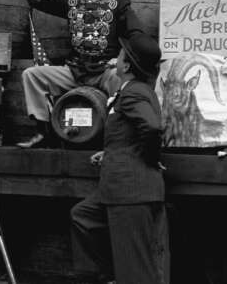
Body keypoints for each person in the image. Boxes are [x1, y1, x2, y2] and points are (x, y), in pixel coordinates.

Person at [69, 30, 169, 284]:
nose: (115, 59)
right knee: (82, 216)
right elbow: (133, 132)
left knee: (136, 271)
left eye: (120, 55)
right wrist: (112, 152)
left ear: (127, 65)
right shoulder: (131, 91)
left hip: (131, 191)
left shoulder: (134, 91)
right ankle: (105, 275)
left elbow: (152, 127)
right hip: (117, 189)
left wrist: (148, 158)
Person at [19, 0, 138, 148]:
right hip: (74, 71)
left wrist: (119, 59)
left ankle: (119, 139)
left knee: (123, 83)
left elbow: (135, 36)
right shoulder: (72, 0)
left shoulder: (119, 4)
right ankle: (43, 132)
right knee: (31, 75)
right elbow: (40, 1)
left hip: (104, 71)